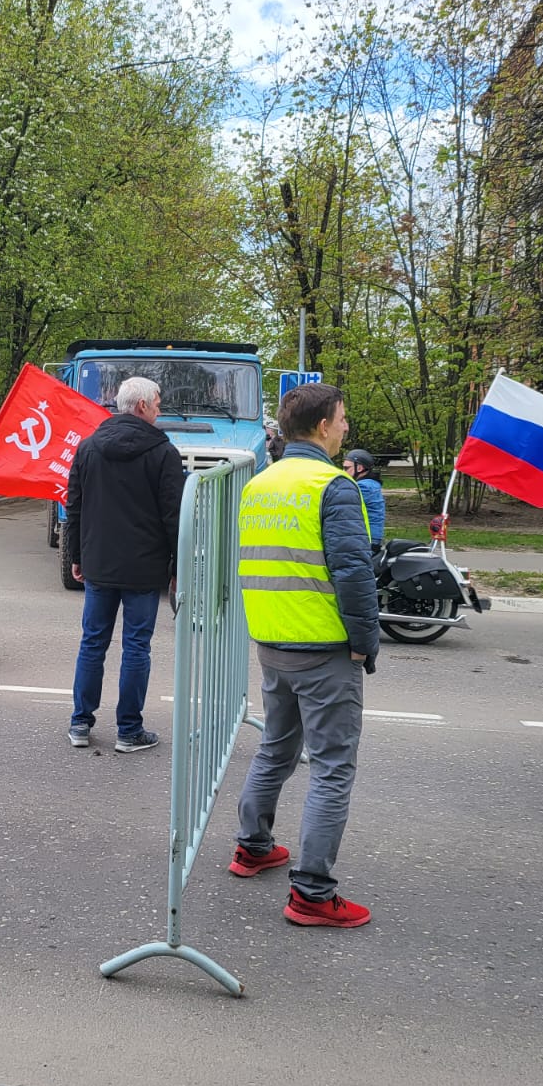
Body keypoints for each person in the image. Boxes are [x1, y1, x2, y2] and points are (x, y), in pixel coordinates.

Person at [228, 382, 379, 928]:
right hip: (322, 646)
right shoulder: (333, 486)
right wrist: (365, 643)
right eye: (342, 419)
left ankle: (252, 846)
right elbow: (353, 573)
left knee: (276, 748)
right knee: (333, 768)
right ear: (322, 426)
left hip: (272, 642)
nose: (346, 427)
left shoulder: (259, 484)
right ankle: (313, 893)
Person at [64, 375, 185, 754]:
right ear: (143, 406)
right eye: (158, 404)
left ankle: (80, 723)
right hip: (144, 568)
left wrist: (76, 556)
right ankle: (128, 730)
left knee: (92, 642)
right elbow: (174, 517)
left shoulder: (88, 447)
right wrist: (178, 567)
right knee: (136, 647)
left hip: (99, 563)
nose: (160, 410)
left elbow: (74, 506)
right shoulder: (164, 453)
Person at [343, 448, 385, 546]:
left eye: (346, 468)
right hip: (369, 537)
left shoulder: (364, 487)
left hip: (367, 539)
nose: (343, 472)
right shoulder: (370, 484)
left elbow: (344, 506)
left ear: (359, 468)